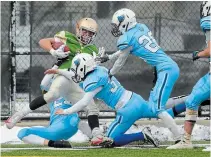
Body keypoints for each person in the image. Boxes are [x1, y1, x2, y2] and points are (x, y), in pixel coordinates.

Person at [44, 53, 187, 148]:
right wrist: (59, 71)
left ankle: (142, 135)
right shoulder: (99, 70)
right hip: (134, 99)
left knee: (108, 141)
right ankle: (189, 103)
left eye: (76, 69)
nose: (75, 72)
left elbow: (83, 102)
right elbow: (76, 74)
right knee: (159, 112)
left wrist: (66, 111)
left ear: (83, 68)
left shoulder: (91, 81)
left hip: (126, 110)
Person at [5, 18, 106, 145]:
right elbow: (43, 41)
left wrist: (98, 62)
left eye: (91, 33)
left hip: (76, 82)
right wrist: (53, 51)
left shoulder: (93, 49)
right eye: (85, 31)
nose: (87, 35)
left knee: (92, 107)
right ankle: (18, 115)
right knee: (52, 95)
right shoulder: (67, 37)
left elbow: (92, 72)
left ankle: (97, 135)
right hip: (63, 75)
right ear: (78, 29)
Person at [96, 8, 181, 142]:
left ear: (125, 23)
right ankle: (185, 107)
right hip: (166, 67)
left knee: (158, 109)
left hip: (165, 69)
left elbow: (121, 61)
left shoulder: (126, 38)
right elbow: (127, 49)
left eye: (116, 24)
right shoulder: (141, 27)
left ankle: (180, 139)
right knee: (155, 107)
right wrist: (110, 56)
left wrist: (110, 73)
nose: (115, 28)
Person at [167, 1, 210, 149]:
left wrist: (198, 54)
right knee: (192, 100)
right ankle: (186, 141)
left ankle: (186, 141)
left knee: (193, 100)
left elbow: (210, 50)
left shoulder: (208, 22)